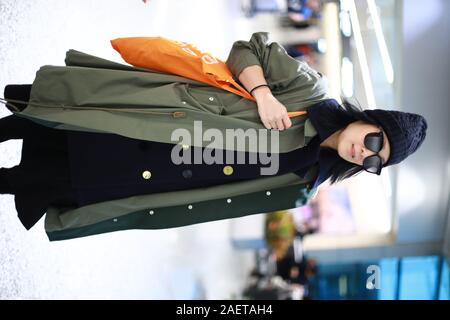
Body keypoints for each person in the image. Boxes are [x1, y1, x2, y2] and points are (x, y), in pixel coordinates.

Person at [0, 32, 428, 240]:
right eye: (375, 141)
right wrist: (263, 94)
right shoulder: (310, 91)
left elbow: (226, 196)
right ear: (369, 119)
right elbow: (249, 48)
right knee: (53, 124)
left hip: (156, 178)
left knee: (46, 182)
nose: (365, 154)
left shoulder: (306, 186)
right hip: (158, 124)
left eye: (376, 161)